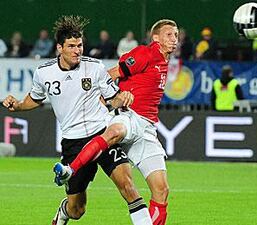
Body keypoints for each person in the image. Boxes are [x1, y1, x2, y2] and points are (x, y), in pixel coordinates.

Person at [2, 15, 153, 225]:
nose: (77, 50)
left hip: (103, 134)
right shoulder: (44, 73)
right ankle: (64, 210)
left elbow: (114, 98)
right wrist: (17, 105)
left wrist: (124, 97)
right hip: (73, 143)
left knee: (128, 186)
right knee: (77, 210)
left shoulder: (95, 67)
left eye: (80, 45)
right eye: (71, 46)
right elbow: (34, 99)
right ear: (59, 48)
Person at [53, 19, 179, 225]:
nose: (174, 39)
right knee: (115, 132)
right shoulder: (144, 53)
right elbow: (111, 74)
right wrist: (103, 100)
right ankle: (70, 170)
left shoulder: (163, 60)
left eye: (176, 35)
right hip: (129, 116)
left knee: (161, 190)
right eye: (169, 34)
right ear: (155, 38)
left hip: (147, 129)